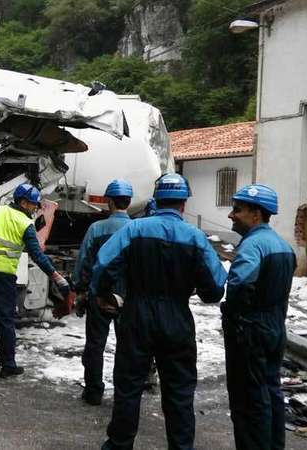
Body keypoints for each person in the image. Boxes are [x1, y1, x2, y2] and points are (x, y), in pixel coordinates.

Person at [91, 173, 227, 450]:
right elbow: (214, 289)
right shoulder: (196, 237)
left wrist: (103, 294)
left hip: (136, 316)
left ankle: (119, 445)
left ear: (157, 199)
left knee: (128, 388)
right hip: (177, 319)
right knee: (179, 392)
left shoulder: (134, 230)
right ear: (183, 204)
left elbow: (103, 266)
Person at [0, 183, 71, 378]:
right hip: (4, 275)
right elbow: (38, 255)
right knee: (6, 319)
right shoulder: (25, 224)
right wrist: (57, 277)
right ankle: (7, 365)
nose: (35, 208)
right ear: (23, 202)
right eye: (33, 204)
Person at [222, 184, 295, 450]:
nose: (231, 215)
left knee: (248, 400)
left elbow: (240, 284)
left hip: (251, 331)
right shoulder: (284, 247)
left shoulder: (252, 246)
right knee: (271, 391)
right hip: (275, 328)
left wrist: (234, 315)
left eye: (237, 210)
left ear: (256, 213)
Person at [74, 179, 133, 405]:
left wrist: (80, 290)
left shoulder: (96, 229)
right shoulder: (137, 229)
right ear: (128, 202)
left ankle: (93, 392)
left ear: (109, 201)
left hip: (99, 295)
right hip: (128, 298)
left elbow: (84, 262)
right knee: (126, 347)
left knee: (95, 345)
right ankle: (123, 392)